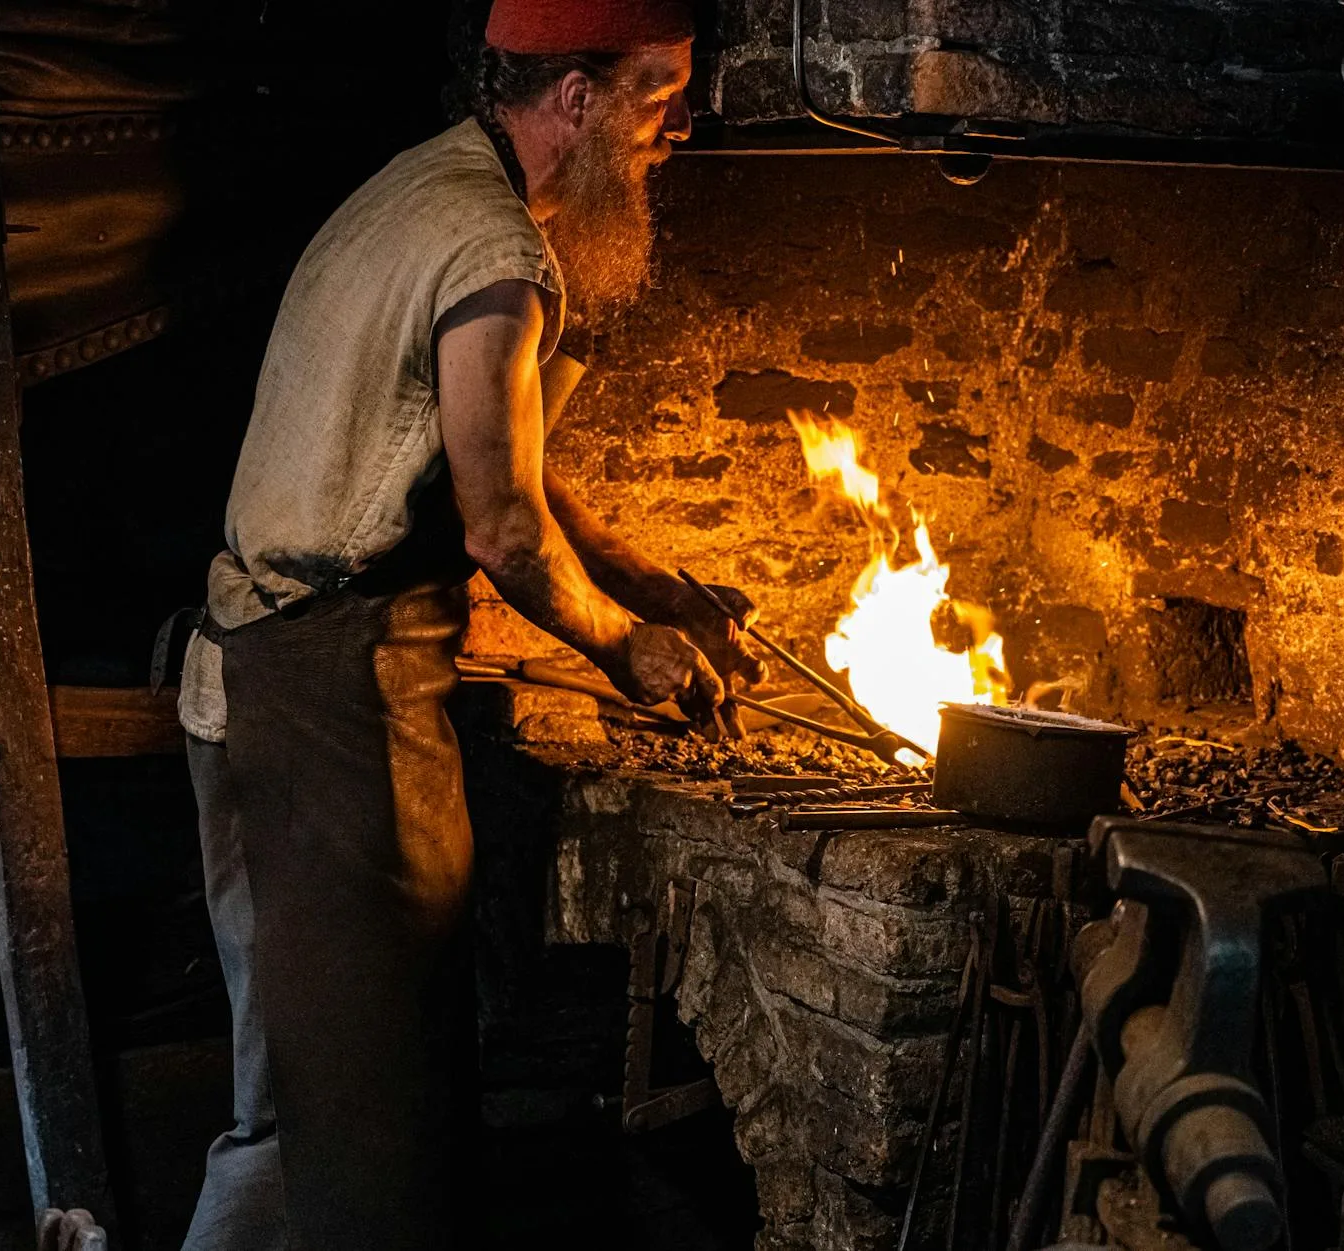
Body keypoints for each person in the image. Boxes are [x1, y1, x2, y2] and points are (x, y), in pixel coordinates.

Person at [176, 1, 763, 1245]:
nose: (672, 130)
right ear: (574, 97)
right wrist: (622, 645)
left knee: (290, 1074)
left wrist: (652, 582)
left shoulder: (424, 183)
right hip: (333, 688)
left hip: (246, 661)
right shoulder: (494, 252)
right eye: (654, 96)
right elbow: (500, 528)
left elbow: (511, 471)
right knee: (377, 1091)